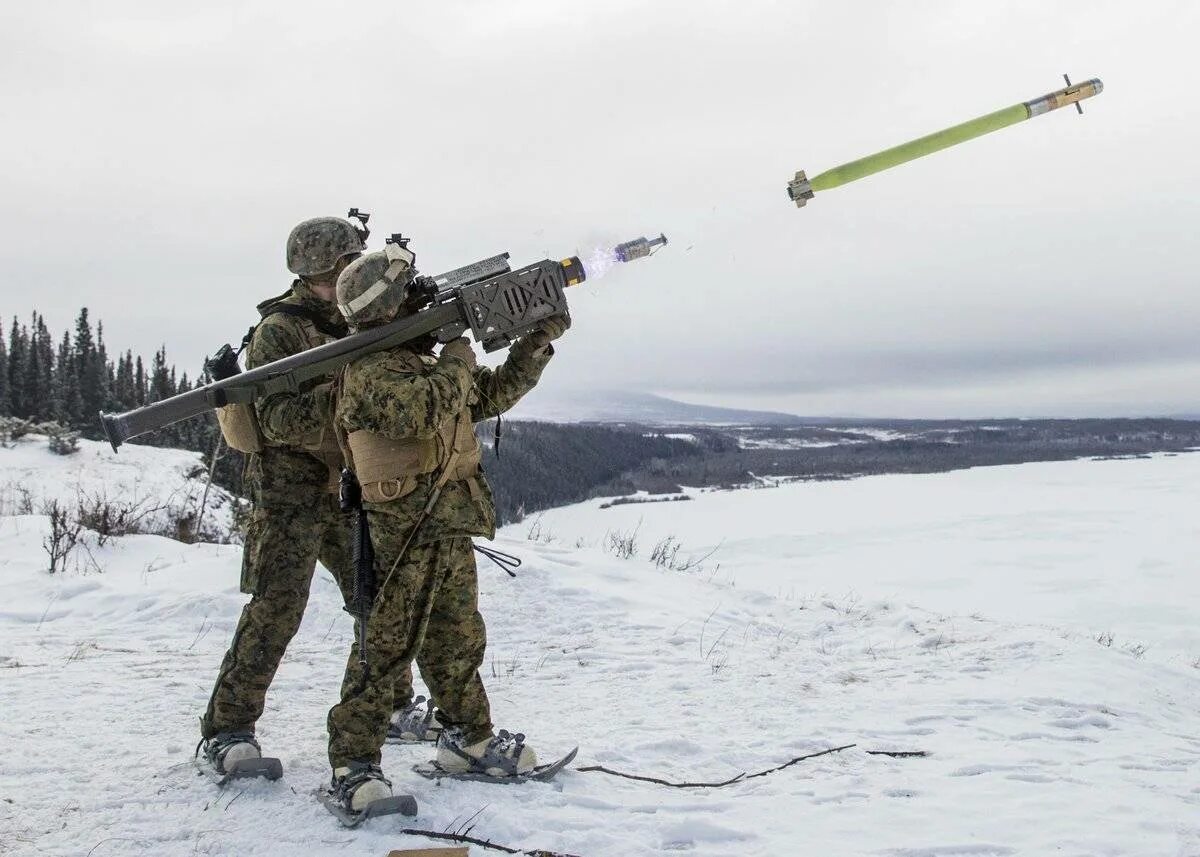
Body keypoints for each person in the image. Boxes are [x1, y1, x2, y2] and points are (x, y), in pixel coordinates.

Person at [323, 244, 568, 812]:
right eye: (409, 292)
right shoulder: (371, 371)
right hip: (403, 529)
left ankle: (468, 739)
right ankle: (352, 764)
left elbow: (488, 394)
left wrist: (537, 342)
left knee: (457, 637)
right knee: (385, 647)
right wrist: (460, 350)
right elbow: (423, 411)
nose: (420, 299)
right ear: (387, 307)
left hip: (445, 521)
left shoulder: (416, 364)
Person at [198, 217, 435, 777]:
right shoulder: (281, 330)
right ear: (313, 273)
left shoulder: (359, 310)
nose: (350, 275)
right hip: (289, 487)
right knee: (278, 606)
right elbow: (276, 418)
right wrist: (351, 397)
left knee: (375, 599)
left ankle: (396, 706)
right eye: (340, 269)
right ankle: (227, 727)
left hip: (347, 481)